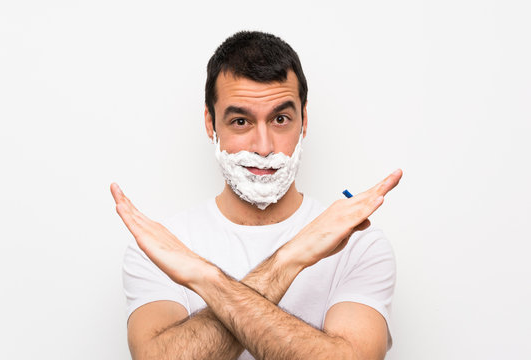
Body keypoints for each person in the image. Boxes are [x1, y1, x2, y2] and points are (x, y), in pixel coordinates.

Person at [111, 31, 403, 360]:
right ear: (211, 124)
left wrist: (205, 279)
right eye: (240, 121)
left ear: (303, 120)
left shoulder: (360, 244)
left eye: (280, 119)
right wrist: (290, 259)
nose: (263, 148)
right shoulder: (159, 247)